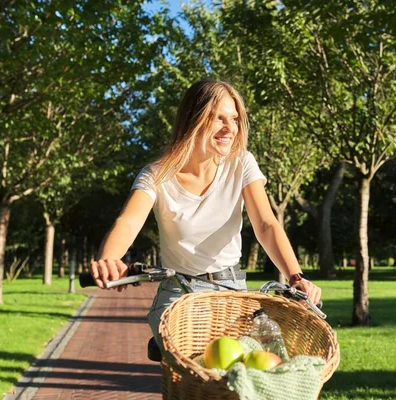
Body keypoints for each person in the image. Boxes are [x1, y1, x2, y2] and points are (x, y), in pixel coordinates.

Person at [90, 79, 322, 347]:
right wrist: (109, 259)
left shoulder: (241, 163)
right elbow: (129, 222)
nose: (230, 128)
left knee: (264, 360)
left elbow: (266, 224)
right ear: (194, 119)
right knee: (197, 363)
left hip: (231, 288)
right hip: (178, 294)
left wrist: (296, 277)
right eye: (218, 118)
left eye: (234, 119)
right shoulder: (157, 175)